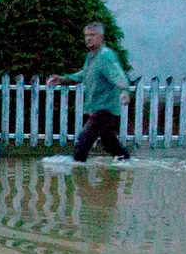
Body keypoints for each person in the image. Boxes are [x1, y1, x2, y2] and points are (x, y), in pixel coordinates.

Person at [48, 22, 132, 163]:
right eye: (86, 35)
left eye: (92, 35)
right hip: (98, 107)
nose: (88, 39)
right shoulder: (92, 56)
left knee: (83, 142)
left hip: (106, 108)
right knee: (110, 142)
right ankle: (126, 163)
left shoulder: (106, 56)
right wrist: (64, 79)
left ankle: (78, 172)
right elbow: (84, 74)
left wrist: (124, 90)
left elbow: (118, 75)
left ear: (101, 37)